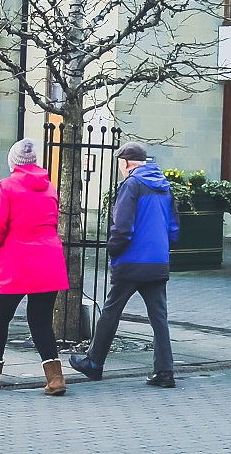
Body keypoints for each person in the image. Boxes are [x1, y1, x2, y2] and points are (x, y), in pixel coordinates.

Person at [70, 142, 178, 388]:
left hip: (131, 261)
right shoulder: (163, 185)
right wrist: (162, 250)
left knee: (111, 312)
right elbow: (173, 226)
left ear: (125, 163)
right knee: (159, 318)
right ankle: (165, 371)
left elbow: (122, 226)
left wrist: (113, 250)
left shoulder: (132, 185)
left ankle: (94, 364)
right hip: (157, 262)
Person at [0, 137, 71, 395]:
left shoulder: (5, 187)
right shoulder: (50, 188)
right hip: (48, 261)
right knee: (40, 320)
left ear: (13, 162)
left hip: (15, 262)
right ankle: (55, 378)